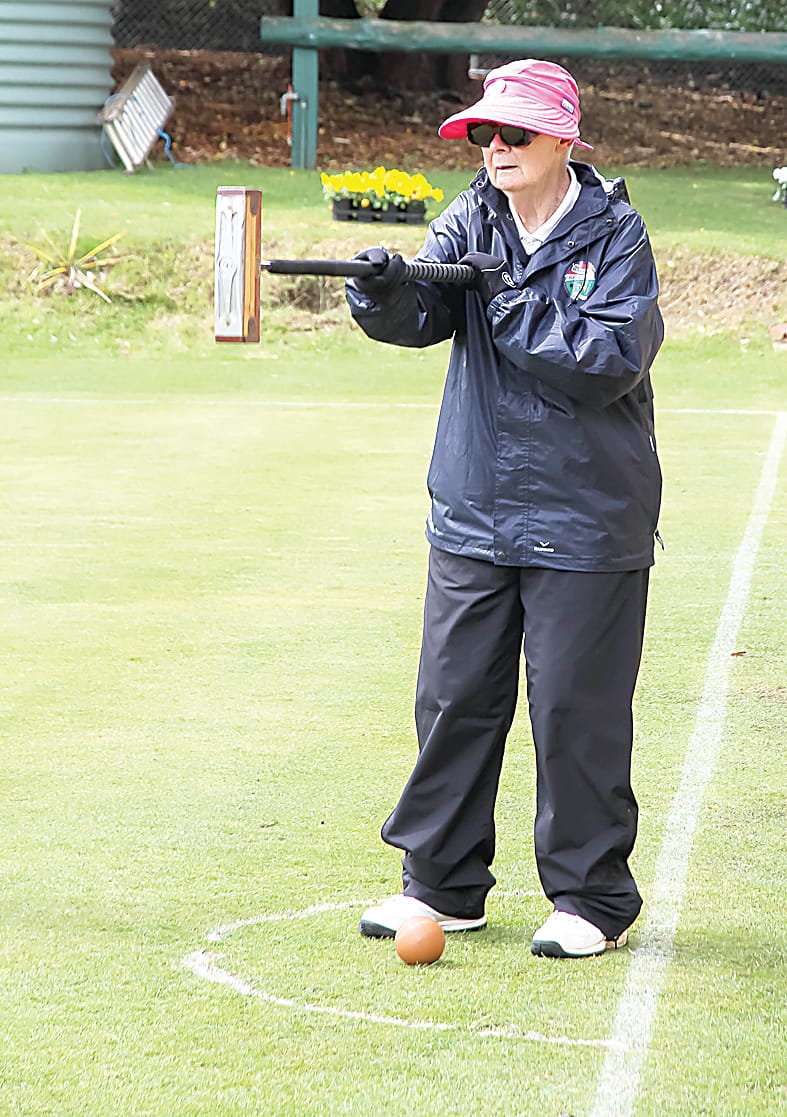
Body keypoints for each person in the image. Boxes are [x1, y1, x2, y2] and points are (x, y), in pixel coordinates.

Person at [345, 58, 664, 958]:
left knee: (576, 710)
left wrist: (507, 297)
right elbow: (423, 312)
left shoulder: (617, 236)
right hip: (475, 510)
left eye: (514, 133)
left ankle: (590, 900)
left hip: (589, 516)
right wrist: (386, 285)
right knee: (452, 699)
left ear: (563, 138)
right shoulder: (473, 216)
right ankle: (442, 887)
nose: (494, 149)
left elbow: (604, 361)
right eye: (484, 134)